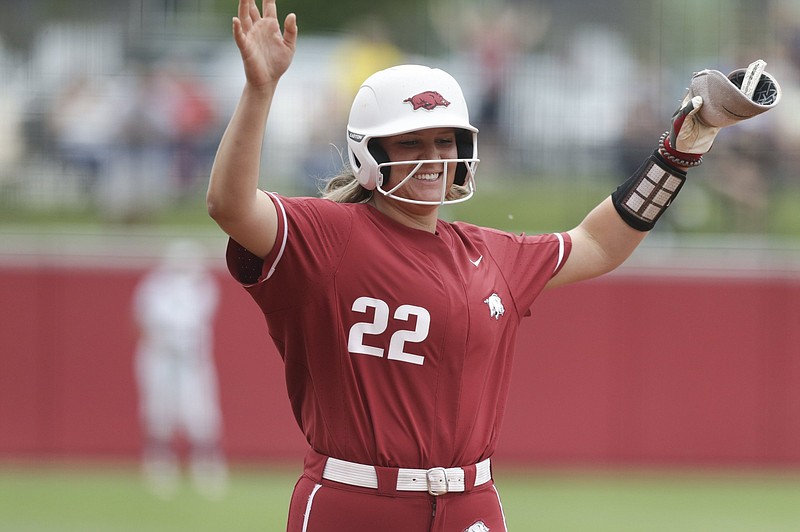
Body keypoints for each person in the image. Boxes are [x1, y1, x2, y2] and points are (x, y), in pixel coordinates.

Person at [206, 1, 780, 529]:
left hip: (470, 504)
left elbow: (600, 243)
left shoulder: (489, 252)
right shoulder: (326, 235)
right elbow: (230, 205)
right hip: (353, 499)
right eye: (411, 144)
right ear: (370, 154)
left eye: (445, 141)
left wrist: (678, 153)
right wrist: (259, 90)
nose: (434, 158)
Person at [132, 239, 228, 500]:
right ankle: (159, 464)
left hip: (192, 361)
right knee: (159, 412)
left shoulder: (203, 287)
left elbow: (195, 324)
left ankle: (206, 465)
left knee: (201, 413)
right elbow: (145, 321)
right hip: (161, 359)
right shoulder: (154, 287)